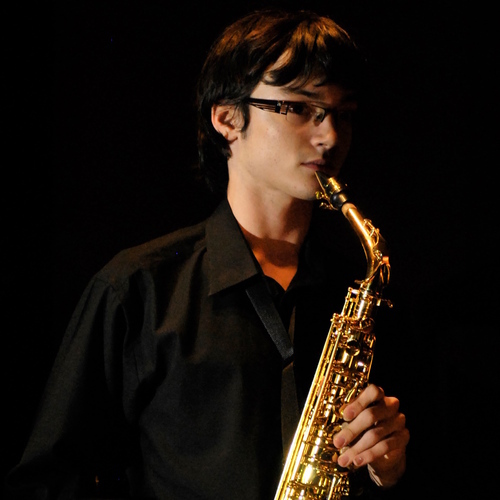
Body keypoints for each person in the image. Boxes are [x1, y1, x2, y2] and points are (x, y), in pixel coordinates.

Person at [7, 8, 409, 499]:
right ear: (227, 118)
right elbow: (47, 483)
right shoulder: (138, 288)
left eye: (342, 114)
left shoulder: (357, 292)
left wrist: (388, 471)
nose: (330, 137)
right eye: (301, 108)